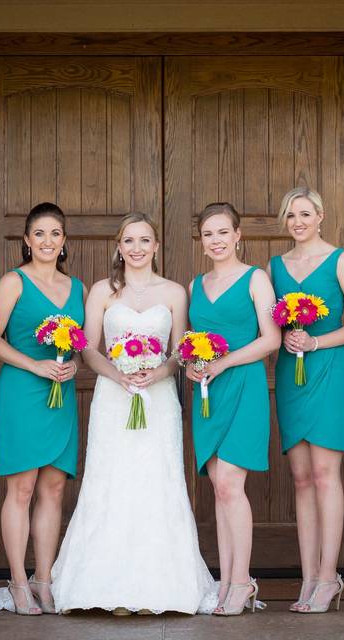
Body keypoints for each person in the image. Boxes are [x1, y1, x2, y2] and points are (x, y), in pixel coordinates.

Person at [50, 213, 217, 615]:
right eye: (129, 241)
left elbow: (181, 351)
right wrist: (121, 376)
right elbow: (88, 348)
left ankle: (157, 590)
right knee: (113, 482)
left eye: (145, 240)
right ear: (119, 247)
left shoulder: (175, 292)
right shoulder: (102, 291)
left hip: (158, 401)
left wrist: (157, 372)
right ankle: (107, 588)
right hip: (114, 395)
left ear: (156, 246)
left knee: (156, 482)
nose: (137, 248)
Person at [268, 187, 344, 613]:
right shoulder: (274, 267)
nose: (298, 222)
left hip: (331, 372)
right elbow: (268, 321)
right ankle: (308, 578)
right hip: (292, 374)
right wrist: (288, 337)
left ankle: (329, 577)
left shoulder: (341, 260)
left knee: (327, 475)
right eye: (291, 215)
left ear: (321, 216)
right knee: (302, 479)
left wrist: (317, 341)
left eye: (305, 214)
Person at [0, 202, 85, 615]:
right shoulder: (13, 283)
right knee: (21, 488)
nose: (47, 241)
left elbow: (83, 343)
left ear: (64, 242)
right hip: (22, 392)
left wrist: (73, 364)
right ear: (27, 240)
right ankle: (19, 583)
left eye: (55, 234)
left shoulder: (76, 288)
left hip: (59, 397)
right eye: (39, 234)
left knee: (54, 489)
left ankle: (45, 579)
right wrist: (34, 365)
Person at [186, 202, 280, 616]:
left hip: (243, 386)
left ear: (238, 236)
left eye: (223, 232)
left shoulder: (256, 278)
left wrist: (224, 362)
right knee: (217, 488)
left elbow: (271, 339)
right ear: (202, 241)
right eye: (209, 234)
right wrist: (192, 364)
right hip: (207, 393)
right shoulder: (194, 286)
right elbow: (191, 339)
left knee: (229, 485)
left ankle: (242, 581)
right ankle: (227, 582)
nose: (216, 240)